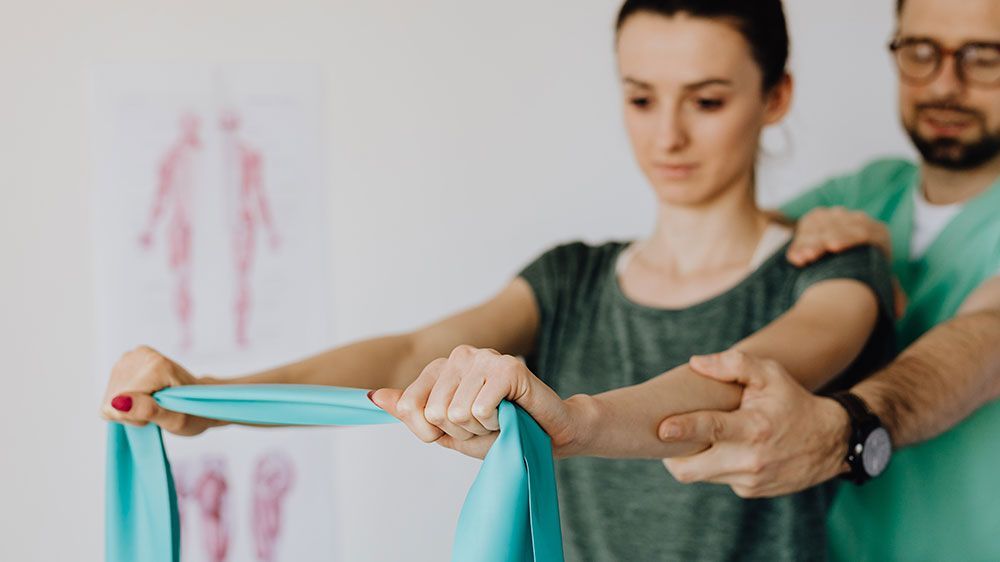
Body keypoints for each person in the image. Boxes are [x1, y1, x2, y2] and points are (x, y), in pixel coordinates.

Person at [101, 1, 896, 559]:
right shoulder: (574, 277)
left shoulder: (829, 270)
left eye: (709, 100)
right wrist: (213, 401)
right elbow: (410, 351)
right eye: (641, 98)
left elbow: (740, 386)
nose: (668, 134)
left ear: (776, 96)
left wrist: (573, 421)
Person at [653, 0, 1000, 559]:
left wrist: (847, 428)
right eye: (921, 51)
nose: (945, 83)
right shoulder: (864, 193)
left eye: (984, 57)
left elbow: (987, 339)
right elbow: (731, 255)